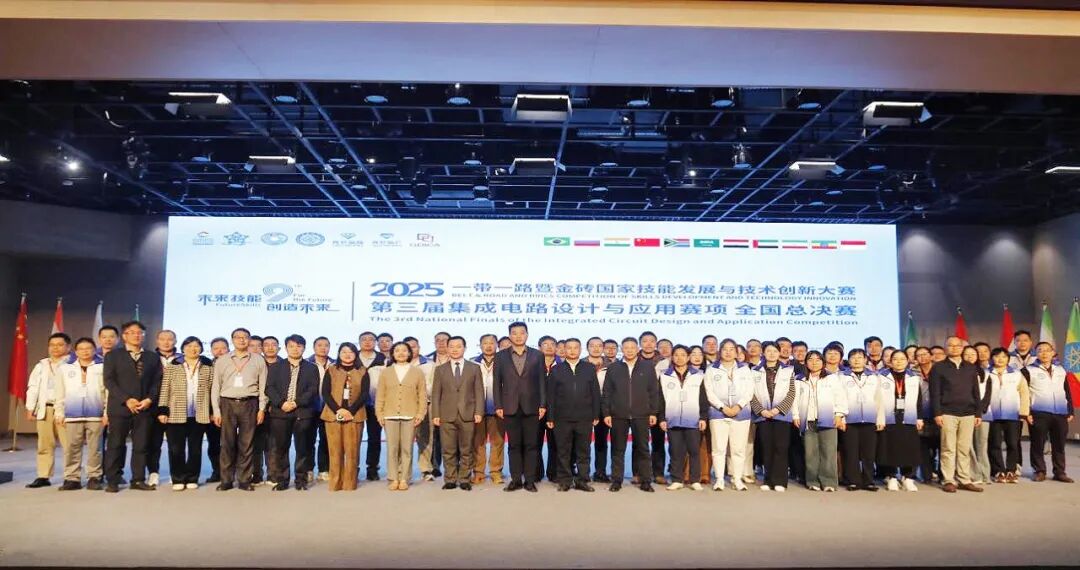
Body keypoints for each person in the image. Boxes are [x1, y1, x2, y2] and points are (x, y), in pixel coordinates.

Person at [103, 321, 163, 493]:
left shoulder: (152, 357)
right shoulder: (113, 356)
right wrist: (127, 399)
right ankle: (113, 480)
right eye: (132, 332)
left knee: (141, 446)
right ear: (124, 336)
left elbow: (157, 381)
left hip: (144, 408)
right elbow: (109, 381)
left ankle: (138, 479)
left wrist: (149, 399)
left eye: (140, 333)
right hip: (120, 408)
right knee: (115, 445)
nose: (137, 335)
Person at [211, 327, 269, 492]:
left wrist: (262, 408)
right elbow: (216, 386)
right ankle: (226, 480)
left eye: (245, 337)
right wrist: (216, 410)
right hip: (227, 403)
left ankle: (244, 480)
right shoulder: (222, 360)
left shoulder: (258, 360)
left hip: (250, 403)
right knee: (227, 444)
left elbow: (263, 386)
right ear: (232, 340)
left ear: (249, 340)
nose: (242, 340)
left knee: (247, 444)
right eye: (238, 337)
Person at [494, 321, 546, 493]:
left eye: (521, 333)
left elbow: (542, 381)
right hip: (509, 406)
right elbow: (497, 383)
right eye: (514, 333)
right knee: (514, 445)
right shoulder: (500, 356)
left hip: (532, 406)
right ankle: (516, 480)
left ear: (527, 335)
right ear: (509, 335)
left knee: (531, 445)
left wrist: (542, 404)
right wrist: (498, 404)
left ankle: (530, 480)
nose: (518, 336)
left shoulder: (537, 355)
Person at [602, 337, 658, 493]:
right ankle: (616, 480)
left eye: (632, 347)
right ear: (622, 349)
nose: (629, 350)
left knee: (643, 449)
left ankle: (645, 480)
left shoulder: (647, 367)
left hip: (641, 414)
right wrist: (606, 413)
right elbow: (607, 392)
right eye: (626, 348)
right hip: (618, 414)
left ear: (637, 348)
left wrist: (653, 412)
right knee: (617, 449)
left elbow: (653, 391)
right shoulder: (614, 368)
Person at [156, 336, 213, 490]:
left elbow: (212, 390)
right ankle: (178, 479)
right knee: (176, 449)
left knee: (195, 449)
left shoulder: (208, 366)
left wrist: (212, 410)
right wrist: (162, 410)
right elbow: (165, 388)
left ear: (201, 348)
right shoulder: (173, 365)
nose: (193, 349)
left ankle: (192, 477)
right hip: (175, 413)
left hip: (199, 413)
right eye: (189, 346)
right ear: (182, 349)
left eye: (196, 346)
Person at [546, 338, 601, 492]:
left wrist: (596, 414)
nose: (572, 350)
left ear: (580, 349)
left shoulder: (589, 368)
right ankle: (565, 480)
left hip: (584, 417)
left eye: (575, 347)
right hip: (561, 417)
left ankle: (582, 480)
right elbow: (551, 396)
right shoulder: (556, 369)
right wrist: (550, 417)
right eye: (569, 348)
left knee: (583, 451)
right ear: (564, 350)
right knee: (563, 451)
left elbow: (595, 393)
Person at [265, 334, 319, 491]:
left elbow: (313, 390)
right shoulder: (276, 367)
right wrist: (281, 403)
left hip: (302, 412)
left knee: (303, 448)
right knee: (281, 448)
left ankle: (301, 480)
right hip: (280, 412)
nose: (295, 349)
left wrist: (296, 403)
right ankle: (282, 480)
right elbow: (269, 388)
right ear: (286, 348)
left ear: (304, 348)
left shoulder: (311, 368)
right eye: (292, 346)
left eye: (299, 346)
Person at [931, 336, 984, 493]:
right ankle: (948, 480)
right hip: (947, 413)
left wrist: (978, 413)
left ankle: (964, 479)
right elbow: (935, 392)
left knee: (964, 448)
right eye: (950, 345)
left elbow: (976, 391)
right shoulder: (939, 367)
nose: (954, 348)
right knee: (948, 448)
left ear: (962, 348)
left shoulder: (970, 367)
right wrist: (937, 413)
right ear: (945, 348)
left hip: (968, 413)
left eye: (957, 345)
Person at [432, 336, 483, 491]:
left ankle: (465, 479)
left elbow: (479, 391)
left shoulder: (474, 368)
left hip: (468, 414)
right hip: (446, 415)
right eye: (452, 346)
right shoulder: (440, 369)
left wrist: (479, 411)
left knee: (467, 449)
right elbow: (436, 394)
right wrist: (436, 414)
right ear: (447, 349)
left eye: (458, 346)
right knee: (448, 450)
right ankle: (450, 479)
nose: (455, 349)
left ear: (465, 349)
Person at [55, 337, 106, 491]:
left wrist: (106, 412)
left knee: (95, 448)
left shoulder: (102, 367)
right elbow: (60, 392)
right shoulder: (65, 368)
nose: (85, 351)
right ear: (75, 351)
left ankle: (94, 477)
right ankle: (72, 478)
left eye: (88, 348)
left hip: (96, 413)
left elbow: (107, 392)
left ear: (94, 350)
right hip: (72, 413)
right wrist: (59, 412)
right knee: (72, 447)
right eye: (81, 349)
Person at [703, 338, 754, 491]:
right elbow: (709, 392)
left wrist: (738, 406)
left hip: (741, 413)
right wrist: (722, 407)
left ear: (737, 352)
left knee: (738, 449)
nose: (728, 352)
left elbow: (749, 391)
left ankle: (737, 479)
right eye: (725, 349)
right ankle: (719, 479)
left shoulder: (745, 369)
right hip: (718, 413)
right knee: (719, 449)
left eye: (732, 349)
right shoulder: (711, 369)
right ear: (720, 351)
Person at [792, 351, 847, 492]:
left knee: (829, 452)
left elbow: (840, 397)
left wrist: (839, 414)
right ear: (806, 363)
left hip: (828, 418)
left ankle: (829, 481)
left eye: (818, 360)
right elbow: (795, 399)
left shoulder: (831, 378)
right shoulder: (799, 379)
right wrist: (796, 415)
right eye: (811, 360)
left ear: (823, 362)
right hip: (807, 418)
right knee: (810, 452)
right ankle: (812, 481)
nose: (814, 363)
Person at [376, 342, 427, 491]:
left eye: (404, 350)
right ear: (392, 354)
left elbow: (422, 395)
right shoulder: (386, 372)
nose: (401, 353)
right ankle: (393, 478)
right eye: (397, 350)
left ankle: (404, 478)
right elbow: (380, 395)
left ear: (409, 353)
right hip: (389, 414)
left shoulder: (417, 372)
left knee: (407, 448)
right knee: (392, 448)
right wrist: (379, 414)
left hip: (410, 415)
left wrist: (420, 413)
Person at [24, 332, 71, 488]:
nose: (55, 348)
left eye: (60, 345)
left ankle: (70, 476)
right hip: (45, 409)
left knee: (68, 445)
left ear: (68, 347)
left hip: (65, 410)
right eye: (52, 345)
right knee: (44, 444)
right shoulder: (41, 365)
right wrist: (30, 407)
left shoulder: (73, 364)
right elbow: (33, 387)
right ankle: (43, 476)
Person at [657, 345, 707, 491]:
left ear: (688, 357)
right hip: (672, 419)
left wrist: (703, 417)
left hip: (693, 419)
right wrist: (662, 418)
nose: (679, 358)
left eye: (683, 355)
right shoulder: (665, 376)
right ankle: (676, 479)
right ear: (672, 357)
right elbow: (660, 399)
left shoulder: (698, 375)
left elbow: (703, 398)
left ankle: (694, 480)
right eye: (676, 355)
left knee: (694, 451)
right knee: (675, 451)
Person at [321, 342, 370, 492]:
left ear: (356, 354)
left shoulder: (362, 371)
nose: (347, 355)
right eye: (344, 352)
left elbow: (364, 394)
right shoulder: (331, 369)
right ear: (339, 354)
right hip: (333, 415)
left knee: (352, 450)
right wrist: (339, 410)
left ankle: (350, 483)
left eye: (351, 352)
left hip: (355, 415)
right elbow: (325, 393)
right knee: (334, 450)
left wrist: (350, 411)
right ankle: (335, 482)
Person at [1024, 341, 1074, 483]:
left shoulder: (1061, 370)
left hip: (1060, 413)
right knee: (1038, 443)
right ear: (1036, 353)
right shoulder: (1028, 370)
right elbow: (1024, 393)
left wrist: (1070, 410)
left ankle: (1060, 472)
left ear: (1053, 353)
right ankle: (1039, 471)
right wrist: (1027, 412)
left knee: (1059, 444)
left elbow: (1067, 391)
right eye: (1040, 350)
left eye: (1047, 350)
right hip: (1039, 412)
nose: (1044, 353)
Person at [750, 341, 796, 492]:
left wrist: (777, 410)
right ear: (763, 353)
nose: (772, 354)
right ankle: (768, 480)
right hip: (763, 416)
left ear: (779, 353)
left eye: (775, 351)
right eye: (768, 351)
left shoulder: (788, 370)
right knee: (767, 447)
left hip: (781, 415)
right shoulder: (754, 371)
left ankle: (780, 481)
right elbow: (751, 394)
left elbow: (791, 393)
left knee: (781, 448)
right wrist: (761, 410)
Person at [878, 350, 923, 492]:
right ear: (890, 361)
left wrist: (919, 417)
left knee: (909, 446)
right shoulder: (881, 377)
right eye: (895, 359)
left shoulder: (913, 377)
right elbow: (877, 399)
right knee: (889, 446)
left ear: (907, 361)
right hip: (888, 415)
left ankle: (907, 477)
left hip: (908, 415)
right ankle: (891, 476)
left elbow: (919, 399)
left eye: (902, 359)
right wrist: (879, 417)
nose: (898, 362)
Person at [840, 349, 884, 491]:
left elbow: (879, 399)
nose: (857, 360)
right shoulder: (842, 377)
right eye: (853, 357)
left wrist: (880, 418)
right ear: (848, 360)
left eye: (860, 357)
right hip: (850, 420)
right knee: (851, 452)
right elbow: (839, 399)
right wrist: (841, 418)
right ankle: (853, 480)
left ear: (866, 360)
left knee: (869, 453)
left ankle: (869, 481)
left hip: (870, 419)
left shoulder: (874, 377)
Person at [985, 347, 1029, 483]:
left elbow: (1024, 393)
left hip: (1012, 414)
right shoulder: (986, 373)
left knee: (1013, 443)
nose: (1000, 359)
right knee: (995, 444)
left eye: (1003, 357)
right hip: (992, 414)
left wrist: (1024, 412)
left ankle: (1011, 470)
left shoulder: (1016, 374)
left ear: (1008, 359)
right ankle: (998, 471)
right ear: (992, 358)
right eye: (997, 356)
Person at [146, 330, 179, 488]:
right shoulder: (149, 358)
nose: (166, 342)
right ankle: (153, 473)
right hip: (152, 405)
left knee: (175, 443)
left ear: (175, 341)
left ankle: (176, 473)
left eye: (170, 339)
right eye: (162, 339)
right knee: (153, 443)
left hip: (175, 406)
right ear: (157, 341)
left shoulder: (181, 359)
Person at [472, 334, 505, 485]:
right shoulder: (473, 363)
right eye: (485, 343)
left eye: (492, 343)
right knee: (478, 442)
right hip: (477, 409)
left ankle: (496, 472)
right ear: (480, 345)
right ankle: (478, 472)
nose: (489, 346)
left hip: (498, 408)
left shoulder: (503, 362)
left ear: (497, 345)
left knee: (497, 441)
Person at [406, 336, 440, 482]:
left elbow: (433, 386)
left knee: (426, 438)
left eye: (414, 346)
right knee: (404, 439)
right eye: (407, 347)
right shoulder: (395, 366)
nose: (411, 349)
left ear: (419, 347)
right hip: (404, 407)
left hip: (425, 405)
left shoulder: (430, 364)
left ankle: (426, 469)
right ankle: (403, 470)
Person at [638, 331, 666, 485]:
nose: (648, 344)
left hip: (659, 404)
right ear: (640, 343)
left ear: (656, 343)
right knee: (638, 441)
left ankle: (658, 473)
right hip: (638, 405)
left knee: (658, 441)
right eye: (645, 341)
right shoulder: (633, 359)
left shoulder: (665, 362)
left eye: (651, 341)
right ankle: (638, 473)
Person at [355, 332, 385, 481]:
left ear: (376, 342)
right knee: (354, 438)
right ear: (359, 342)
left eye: (371, 339)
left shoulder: (383, 358)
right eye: (364, 339)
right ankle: (353, 467)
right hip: (355, 405)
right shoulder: (352, 356)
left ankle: (372, 468)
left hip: (375, 404)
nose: (367, 342)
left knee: (374, 437)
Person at [307, 336, 335, 483]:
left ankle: (324, 470)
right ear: (314, 347)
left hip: (329, 408)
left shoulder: (335, 364)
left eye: (326, 345)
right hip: (310, 407)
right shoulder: (306, 363)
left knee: (326, 440)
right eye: (320, 345)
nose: (323, 348)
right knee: (308, 440)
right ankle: (308, 469)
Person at [253, 335, 280, 486]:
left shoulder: (284, 364)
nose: (270, 348)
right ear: (262, 348)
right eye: (266, 345)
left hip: (277, 410)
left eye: (273, 344)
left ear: (279, 348)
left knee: (273, 444)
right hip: (256, 409)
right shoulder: (255, 364)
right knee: (256, 443)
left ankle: (273, 474)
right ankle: (256, 475)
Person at [964, 345, 993, 485]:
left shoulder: (985, 373)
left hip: (983, 413)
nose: (970, 357)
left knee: (981, 445)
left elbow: (987, 394)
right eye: (967, 354)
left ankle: (985, 474)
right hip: (965, 413)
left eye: (973, 354)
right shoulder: (959, 372)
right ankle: (974, 475)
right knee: (967, 445)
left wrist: (979, 411)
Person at [585, 337, 610, 483]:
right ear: (587, 348)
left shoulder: (612, 365)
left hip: (604, 407)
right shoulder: (580, 364)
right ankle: (582, 472)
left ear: (603, 348)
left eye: (599, 346)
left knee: (601, 441)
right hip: (584, 407)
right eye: (592, 346)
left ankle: (600, 472)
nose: (596, 348)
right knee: (582, 442)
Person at [913, 346, 940, 483]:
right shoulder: (912, 373)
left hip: (939, 413)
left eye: (925, 354)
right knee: (922, 446)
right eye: (919, 355)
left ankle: (941, 474)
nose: (922, 357)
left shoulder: (939, 370)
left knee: (940, 445)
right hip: (920, 413)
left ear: (931, 356)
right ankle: (926, 475)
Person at [537, 335, 561, 482]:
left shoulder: (563, 365)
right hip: (536, 410)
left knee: (555, 443)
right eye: (545, 344)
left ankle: (554, 473)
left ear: (557, 347)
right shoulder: (532, 364)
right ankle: (536, 472)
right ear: (539, 347)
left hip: (556, 411)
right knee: (535, 443)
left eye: (552, 344)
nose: (549, 346)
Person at [206, 337, 229, 483]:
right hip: (211, 412)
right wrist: (211, 411)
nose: (220, 351)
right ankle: (217, 471)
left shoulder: (234, 364)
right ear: (211, 350)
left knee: (230, 444)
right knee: (213, 444)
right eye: (216, 348)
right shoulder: (206, 365)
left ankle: (230, 472)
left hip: (232, 410)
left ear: (228, 349)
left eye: (223, 348)